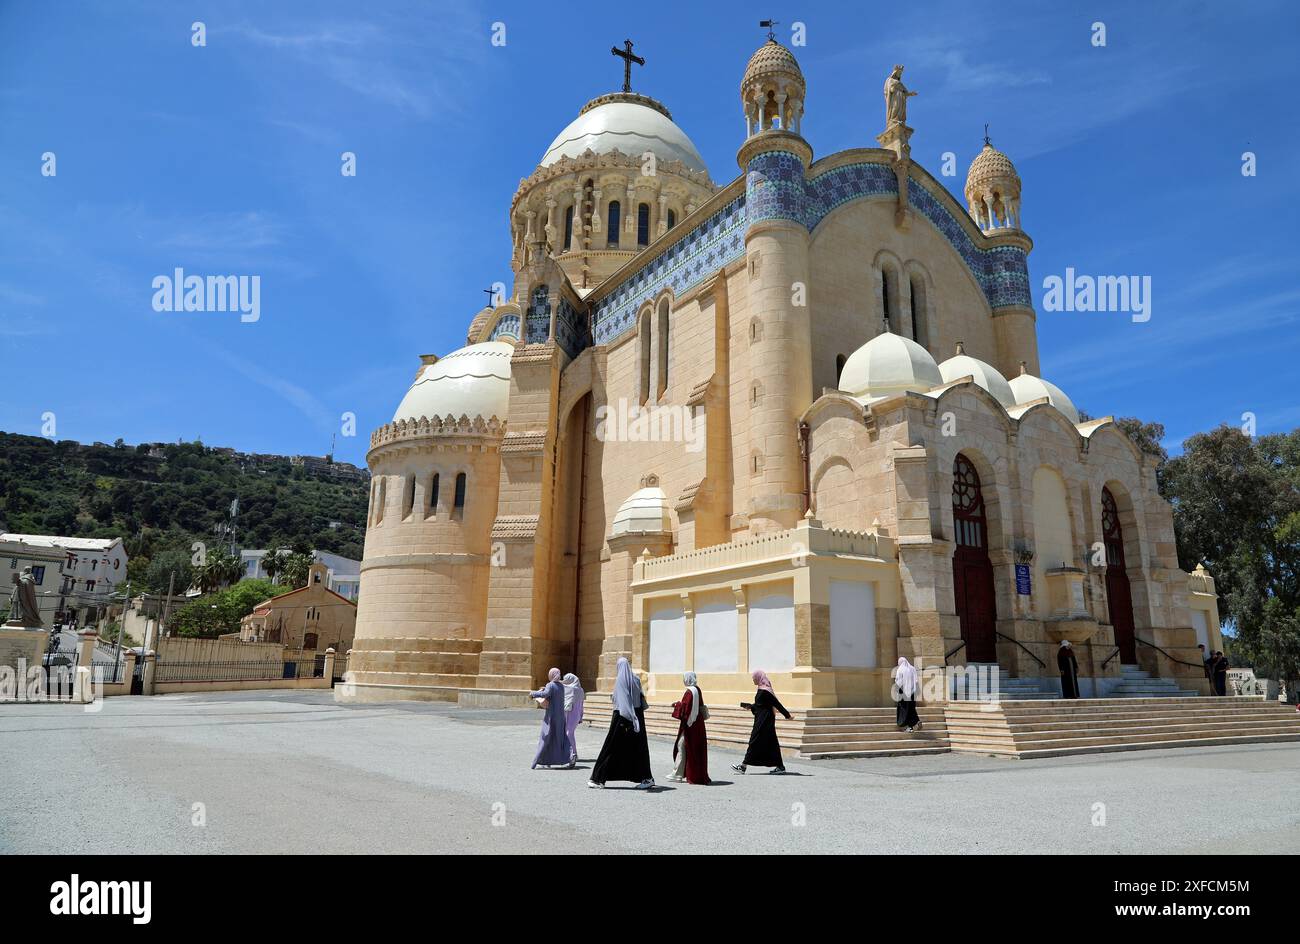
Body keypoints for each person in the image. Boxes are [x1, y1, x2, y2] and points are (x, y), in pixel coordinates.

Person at [588, 658, 654, 789]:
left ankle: (598, 779)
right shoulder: (635, 679)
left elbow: (623, 702)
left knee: (610, 747)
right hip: (637, 715)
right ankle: (647, 778)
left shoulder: (620, 680)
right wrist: (635, 719)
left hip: (622, 717)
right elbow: (638, 698)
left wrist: (628, 718)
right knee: (638, 748)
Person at [732, 669, 792, 775]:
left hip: (764, 722)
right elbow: (760, 706)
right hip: (763, 719)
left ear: (759, 677)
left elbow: (777, 704)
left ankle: (743, 766)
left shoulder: (765, 691)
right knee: (772, 743)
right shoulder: (761, 689)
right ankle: (780, 766)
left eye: (754, 678)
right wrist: (751, 707)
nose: (753, 680)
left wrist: (787, 715)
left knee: (754, 741)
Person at [668, 671, 710, 784]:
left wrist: (677, 705)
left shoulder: (689, 692)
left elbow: (686, 709)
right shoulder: (697, 689)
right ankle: (680, 773)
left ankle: (677, 774)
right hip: (698, 724)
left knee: (682, 746)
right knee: (691, 748)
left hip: (690, 724)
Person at [528, 667, 572, 769]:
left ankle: (536, 761)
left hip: (551, 716)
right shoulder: (561, 686)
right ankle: (565, 758)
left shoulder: (551, 685)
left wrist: (533, 693)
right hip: (560, 717)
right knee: (558, 738)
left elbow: (545, 694)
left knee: (545, 737)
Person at [561, 672, 584, 765]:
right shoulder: (581, 689)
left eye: (567, 679)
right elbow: (582, 705)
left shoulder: (571, 688)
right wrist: (581, 716)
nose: (565, 681)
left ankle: (573, 753)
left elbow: (562, 687)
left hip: (570, 714)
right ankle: (573, 753)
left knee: (568, 733)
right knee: (570, 733)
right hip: (576, 714)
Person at [895, 657, 921, 731]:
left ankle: (908, 726)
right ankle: (915, 722)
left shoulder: (900, 669)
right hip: (913, 692)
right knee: (911, 708)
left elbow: (898, 682)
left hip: (904, 693)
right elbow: (916, 681)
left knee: (905, 709)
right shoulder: (912, 668)